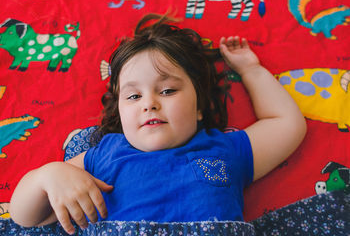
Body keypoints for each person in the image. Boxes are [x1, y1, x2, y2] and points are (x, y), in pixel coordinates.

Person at [10, 14, 306, 235]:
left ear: (200, 106)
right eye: (134, 95)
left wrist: (251, 70)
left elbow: (286, 124)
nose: (149, 103)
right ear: (121, 111)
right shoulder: (105, 155)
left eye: (167, 91)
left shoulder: (224, 149)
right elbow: (25, 217)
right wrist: (49, 176)